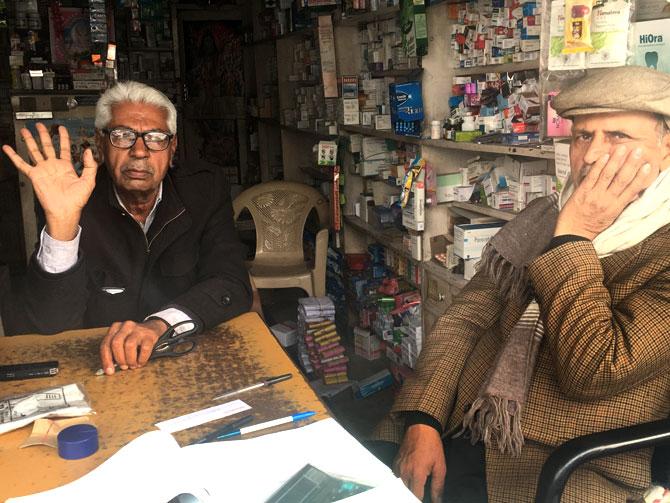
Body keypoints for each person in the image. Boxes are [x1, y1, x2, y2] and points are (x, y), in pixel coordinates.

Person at [371, 66, 670, 503]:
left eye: (618, 137)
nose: (591, 157)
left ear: (666, 144)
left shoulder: (594, 228)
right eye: (583, 136)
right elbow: (465, 318)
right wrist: (423, 417)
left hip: (567, 463)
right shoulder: (548, 213)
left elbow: (593, 370)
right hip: (466, 416)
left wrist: (573, 238)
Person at [1, 81, 252, 375]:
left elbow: (231, 281)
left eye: (156, 138)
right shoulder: (71, 197)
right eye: (123, 136)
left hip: (186, 355)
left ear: (172, 149)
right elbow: (48, 325)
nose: (140, 151)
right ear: (101, 144)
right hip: (99, 368)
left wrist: (160, 324)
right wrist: (62, 226)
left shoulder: (203, 190)